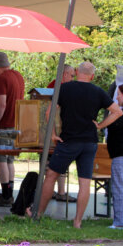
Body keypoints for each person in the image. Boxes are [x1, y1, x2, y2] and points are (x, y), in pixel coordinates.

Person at [31, 61, 122, 228]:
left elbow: (49, 112)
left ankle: (38, 214)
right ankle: (77, 222)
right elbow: (118, 111)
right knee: (84, 182)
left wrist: (52, 134)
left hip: (69, 140)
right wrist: (101, 126)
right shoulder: (98, 91)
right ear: (92, 76)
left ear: (76, 71)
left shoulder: (64, 88)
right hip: (89, 142)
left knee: (51, 175)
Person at [95, 83, 123, 229]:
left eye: (119, 94)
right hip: (121, 154)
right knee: (120, 187)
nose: (117, 97)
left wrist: (101, 124)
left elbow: (115, 125)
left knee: (122, 188)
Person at [0, 52, 24, 207]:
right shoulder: (17, 76)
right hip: (15, 123)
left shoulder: (2, 79)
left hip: (3, 124)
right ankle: (9, 193)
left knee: (0, 159)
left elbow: (2, 103)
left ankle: (6, 196)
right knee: (9, 159)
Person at [46, 64, 77, 203]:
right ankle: (57, 191)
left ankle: (59, 191)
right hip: (55, 130)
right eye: (71, 75)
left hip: (60, 129)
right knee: (51, 162)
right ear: (64, 74)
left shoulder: (60, 87)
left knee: (56, 163)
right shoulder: (55, 87)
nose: (72, 78)